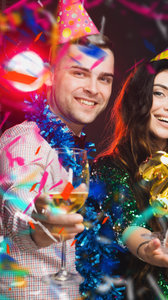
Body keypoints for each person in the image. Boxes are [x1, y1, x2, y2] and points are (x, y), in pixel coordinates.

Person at [75, 33, 168, 299]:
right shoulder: (110, 168)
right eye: (159, 93)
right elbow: (129, 224)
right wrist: (149, 249)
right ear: (138, 99)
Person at [0, 0, 114, 298]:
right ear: (50, 74)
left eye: (104, 78)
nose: (93, 88)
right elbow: (18, 213)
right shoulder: (24, 141)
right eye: (80, 73)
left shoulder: (75, 155)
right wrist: (38, 227)